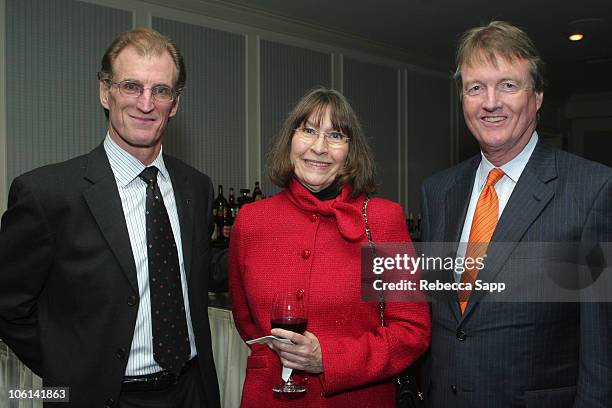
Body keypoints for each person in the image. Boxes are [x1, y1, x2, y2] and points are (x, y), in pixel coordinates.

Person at [0, 28, 222, 407]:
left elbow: (205, 268)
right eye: (131, 86)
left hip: (191, 392)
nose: (146, 103)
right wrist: (70, 369)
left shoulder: (196, 188)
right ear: (105, 92)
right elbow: (9, 305)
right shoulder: (47, 194)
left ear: (176, 103)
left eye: (161, 90)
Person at [420, 21, 612, 407]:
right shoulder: (437, 191)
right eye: (476, 88)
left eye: (508, 84)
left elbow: (600, 350)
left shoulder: (593, 189)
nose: (490, 102)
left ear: (537, 96)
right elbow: (443, 317)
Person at [229, 87, 431, 407]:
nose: (319, 147)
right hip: (268, 397)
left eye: (335, 135)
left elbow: (411, 331)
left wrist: (329, 359)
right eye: (308, 130)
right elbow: (246, 320)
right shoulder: (251, 222)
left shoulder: (383, 221)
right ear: (290, 140)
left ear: (350, 151)